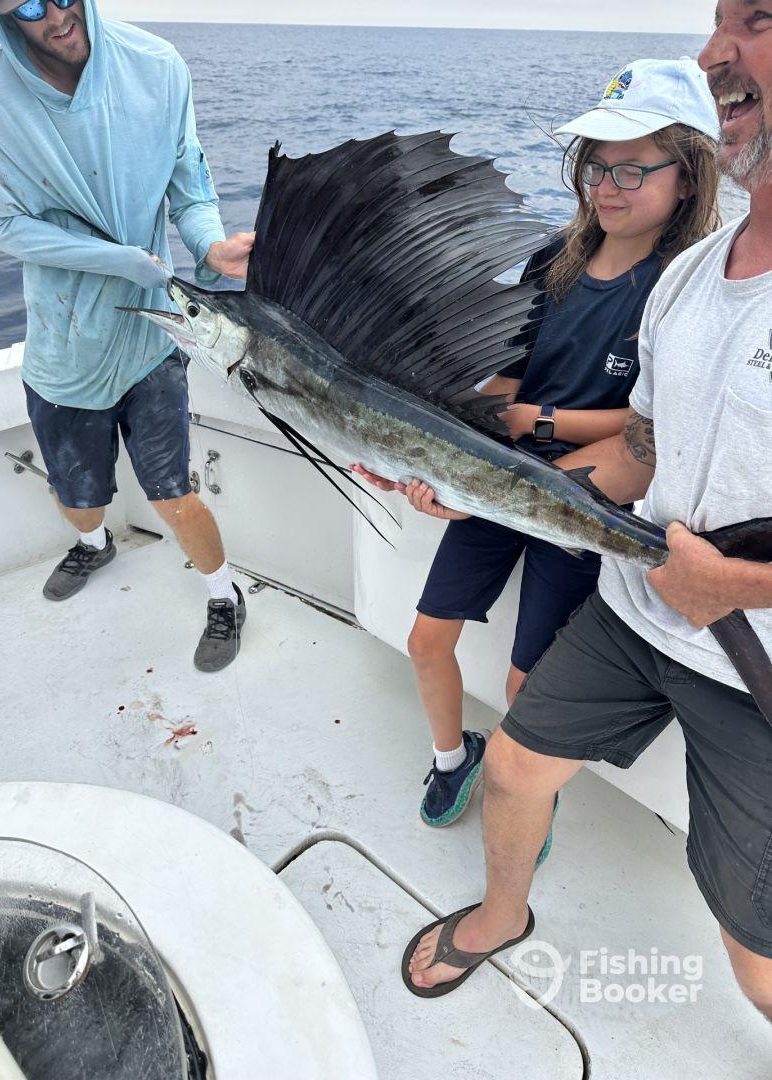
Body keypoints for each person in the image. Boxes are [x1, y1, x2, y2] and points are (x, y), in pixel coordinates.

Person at [394, 4, 772, 1019]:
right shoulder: (694, 277)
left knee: (754, 943)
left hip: (752, 666)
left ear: (681, 173)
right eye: (719, 21)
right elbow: (638, 449)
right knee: (513, 767)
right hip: (632, 599)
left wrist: (738, 584)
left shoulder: (670, 267)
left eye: (760, 17)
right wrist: (468, 474)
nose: (715, 51)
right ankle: (500, 917)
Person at [355, 57, 721, 843]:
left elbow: (649, 427)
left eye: (632, 168)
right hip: (498, 479)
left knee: (529, 680)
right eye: (596, 165)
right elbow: (502, 374)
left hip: (586, 500)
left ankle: (528, 799)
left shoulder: (681, 290)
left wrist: (534, 420)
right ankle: (453, 760)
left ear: (687, 177)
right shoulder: (551, 262)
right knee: (427, 639)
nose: (606, 185)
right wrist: (425, 452)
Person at [0, 0, 253, 672]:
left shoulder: (157, 64)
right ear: (1, 14)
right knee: (76, 495)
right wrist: (119, 259)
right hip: (65, 347)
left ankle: (223, 593)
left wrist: (210, 246)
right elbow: (4, 225)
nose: (54, 15)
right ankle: (94, 546)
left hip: (153, 337)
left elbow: (189, 182)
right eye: (27, 6)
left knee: (173, 497)